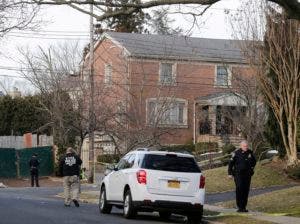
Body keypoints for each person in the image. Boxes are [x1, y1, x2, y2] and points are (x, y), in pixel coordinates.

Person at [228, 140, 256, 212]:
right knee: (239, 188)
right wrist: (229, 173)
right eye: (244, 146)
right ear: (241, 146)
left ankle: (244, 207)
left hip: (247, 175)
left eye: (247, 146)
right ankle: (239, 206)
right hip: (238, 174)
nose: (246, 147)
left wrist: (252, 168)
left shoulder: (250, 152)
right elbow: (231, 164)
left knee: (246, 190)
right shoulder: (236, 153)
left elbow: (254, 162)